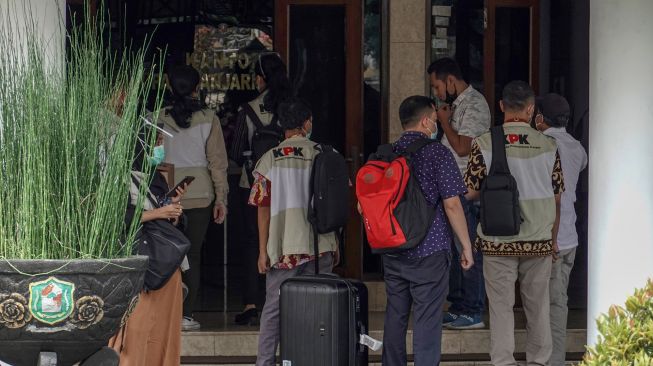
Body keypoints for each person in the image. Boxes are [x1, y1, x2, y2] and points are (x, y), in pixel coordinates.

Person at [464, 81, 565, 365]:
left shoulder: (484, 142)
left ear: (501, 106)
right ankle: (538, 361)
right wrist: (553, 239)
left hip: (498, 240)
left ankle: (503, 362)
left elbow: (470, 191)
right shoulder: (548, 145)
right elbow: (557, 198)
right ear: (532, 109)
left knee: (500, 309)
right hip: (538, 240)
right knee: (538, 308)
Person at [381, 96, 474, 365]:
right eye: (435, 120)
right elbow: (453, 204)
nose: (435, 125)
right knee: (427, 320)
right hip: (430, 250)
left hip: (394, 248)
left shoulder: (387, 153)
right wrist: (466, 245)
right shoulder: (437, 153)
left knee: (395, 316)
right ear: (425, 121)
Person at [250, 98, 339, 366]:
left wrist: (263, 251)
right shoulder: (326, 153)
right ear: (307, 123)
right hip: (320, 245)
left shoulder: (269, 160)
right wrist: (336, 243)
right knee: (321, 309)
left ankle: (265, 362)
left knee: (274, 311)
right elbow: (337, 204)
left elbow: (262, 208)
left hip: (283, 248)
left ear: (281, 126)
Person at [158, 65, 229, 331]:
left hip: (166, 195)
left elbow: (154, 162)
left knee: (166, 253)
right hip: (200, 194)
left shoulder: (155, 117)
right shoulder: (209, 118)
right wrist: (221, 199)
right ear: (197, 88)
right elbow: (217, 163)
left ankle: (166, 311)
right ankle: (186, 315)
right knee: (193, 255)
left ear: (169, 87)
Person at [109, 126, 187, 366]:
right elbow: (118, 218)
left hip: (166, 264)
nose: (160, 148)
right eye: (157, 142)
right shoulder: (118, 176)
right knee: (137, 327)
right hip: (140, 263)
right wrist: (158, 212)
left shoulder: (155, 176)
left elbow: (166, 219)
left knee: (164, 326)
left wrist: (172, 209)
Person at [229, 52, 292, 325]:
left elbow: (235, 151)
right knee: (285, 239)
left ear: (261, 79)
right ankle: (282, 299)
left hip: (253, 183)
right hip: (290, 185)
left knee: (252, 241)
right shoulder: (292, 107)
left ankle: (252, 302)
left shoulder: (249, 109)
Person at [428, 57, 491, 330]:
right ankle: (458, 304)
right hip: (452, 190)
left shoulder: (474, 104)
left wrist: (443, 122)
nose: (437, 92)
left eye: (438, 86)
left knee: (469, 250)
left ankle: (473, 309)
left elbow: (464, 148)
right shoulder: (456, 105)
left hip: (467, 191)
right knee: (456, 252)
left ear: (451, 80)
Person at [534, 93, 587, 366]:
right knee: (558, 303)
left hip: (549, 237)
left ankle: (550, 361)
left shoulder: (543, 146)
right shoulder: (577, 148)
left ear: (540, 118)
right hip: (569, 236)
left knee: (546, 306)